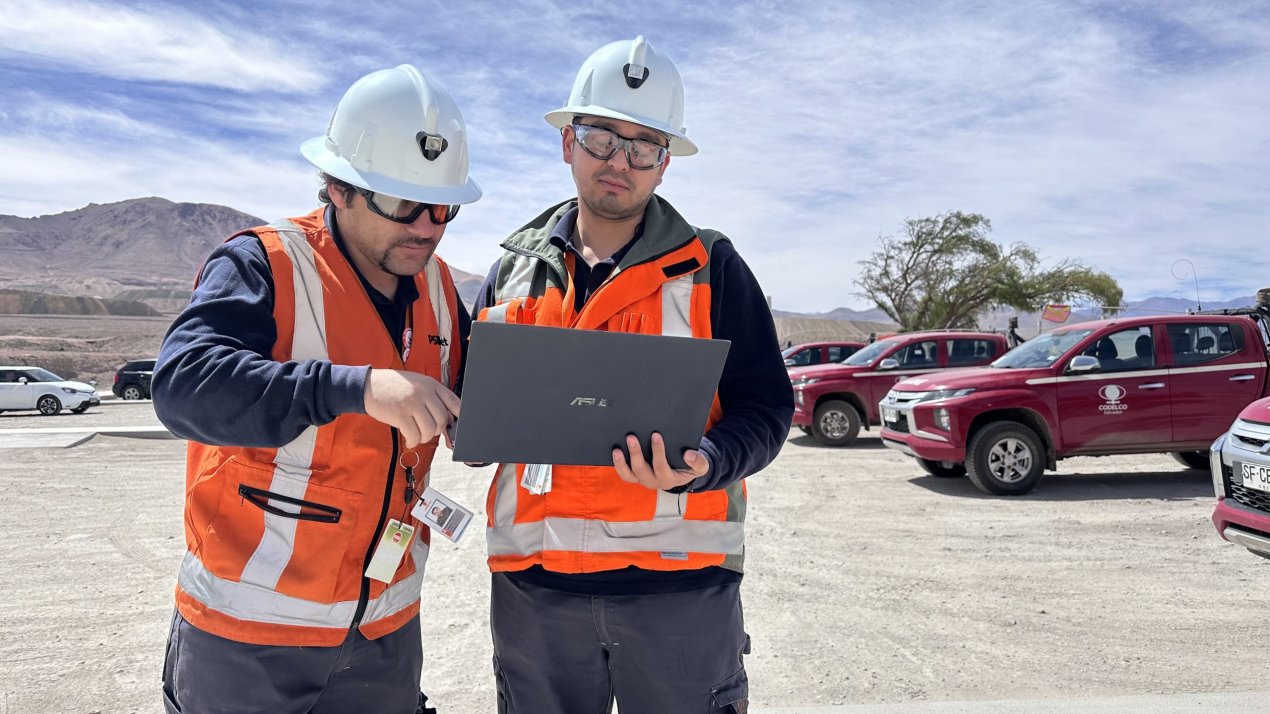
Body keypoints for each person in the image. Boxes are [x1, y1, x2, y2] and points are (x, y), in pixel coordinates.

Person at [473, 36, 793, 713]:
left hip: (677, 593)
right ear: (567, 144)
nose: (619, 162)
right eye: (599, 138)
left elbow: (766, 408)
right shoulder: (509, 274)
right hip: (535, 592)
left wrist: (706, 461)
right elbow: (477, 406)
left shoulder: (714, 268)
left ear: (665, 163)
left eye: (643, 145)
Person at [152, 64, 480, 714]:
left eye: (443, 206)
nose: (427, 226)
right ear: (338, 186)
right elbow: (184, 387)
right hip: (247, 647)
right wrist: (355, 389)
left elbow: (472, 406)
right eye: (402, 202)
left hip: (383, 638)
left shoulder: (443, 294)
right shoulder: (263, 265)